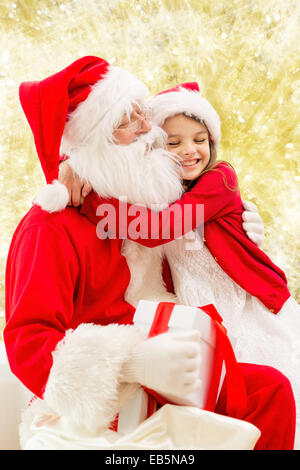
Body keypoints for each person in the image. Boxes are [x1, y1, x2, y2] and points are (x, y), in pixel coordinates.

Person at [4, 57, 296, 450]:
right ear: (95, 141)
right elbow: (28, 339)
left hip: (174, 363)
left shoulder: (138, 203)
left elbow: (181, 214)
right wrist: (131, 364)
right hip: (106, 394)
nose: (150, 130)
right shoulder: (49, 227)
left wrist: (241, 224)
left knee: (270, 391)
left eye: (145, 114)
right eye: (129, 121)